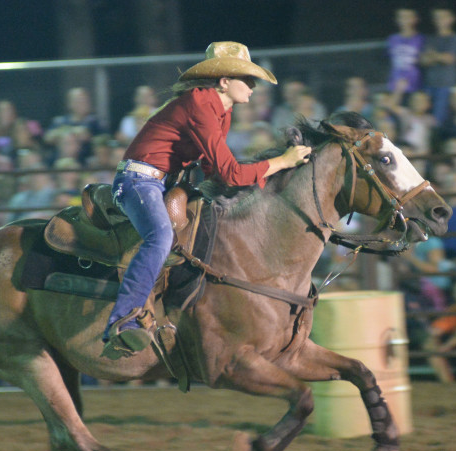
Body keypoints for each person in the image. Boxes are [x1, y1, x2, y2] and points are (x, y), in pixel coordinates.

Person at [100, 41, 312, 359]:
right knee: (160, 237)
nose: (253, 87)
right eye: (247, 78)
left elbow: (216, 172)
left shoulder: (221, 112)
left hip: (160, 184)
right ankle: (123, 321)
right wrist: (282, 162)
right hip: (138, 180)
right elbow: (228, 172)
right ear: (224, 81)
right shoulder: (200, 103)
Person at [420, 7, 456, 125]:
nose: (439, 20)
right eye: (437, 17)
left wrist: (433, 55)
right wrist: (439, 57)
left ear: (451, 19)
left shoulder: (454, 38)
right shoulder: (429, 39)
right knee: (425, 117)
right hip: (428, 85)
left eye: (443, 17)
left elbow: (450, 59)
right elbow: (423, 60)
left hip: (445, 86)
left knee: (439, 119)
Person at [386, 8, 425, 98]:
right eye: (401, 17)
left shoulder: (421, 39)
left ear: (415, 19)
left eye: (407, 17)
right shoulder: (392, 39)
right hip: (395, 84)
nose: (404, 20)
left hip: (415, 85)